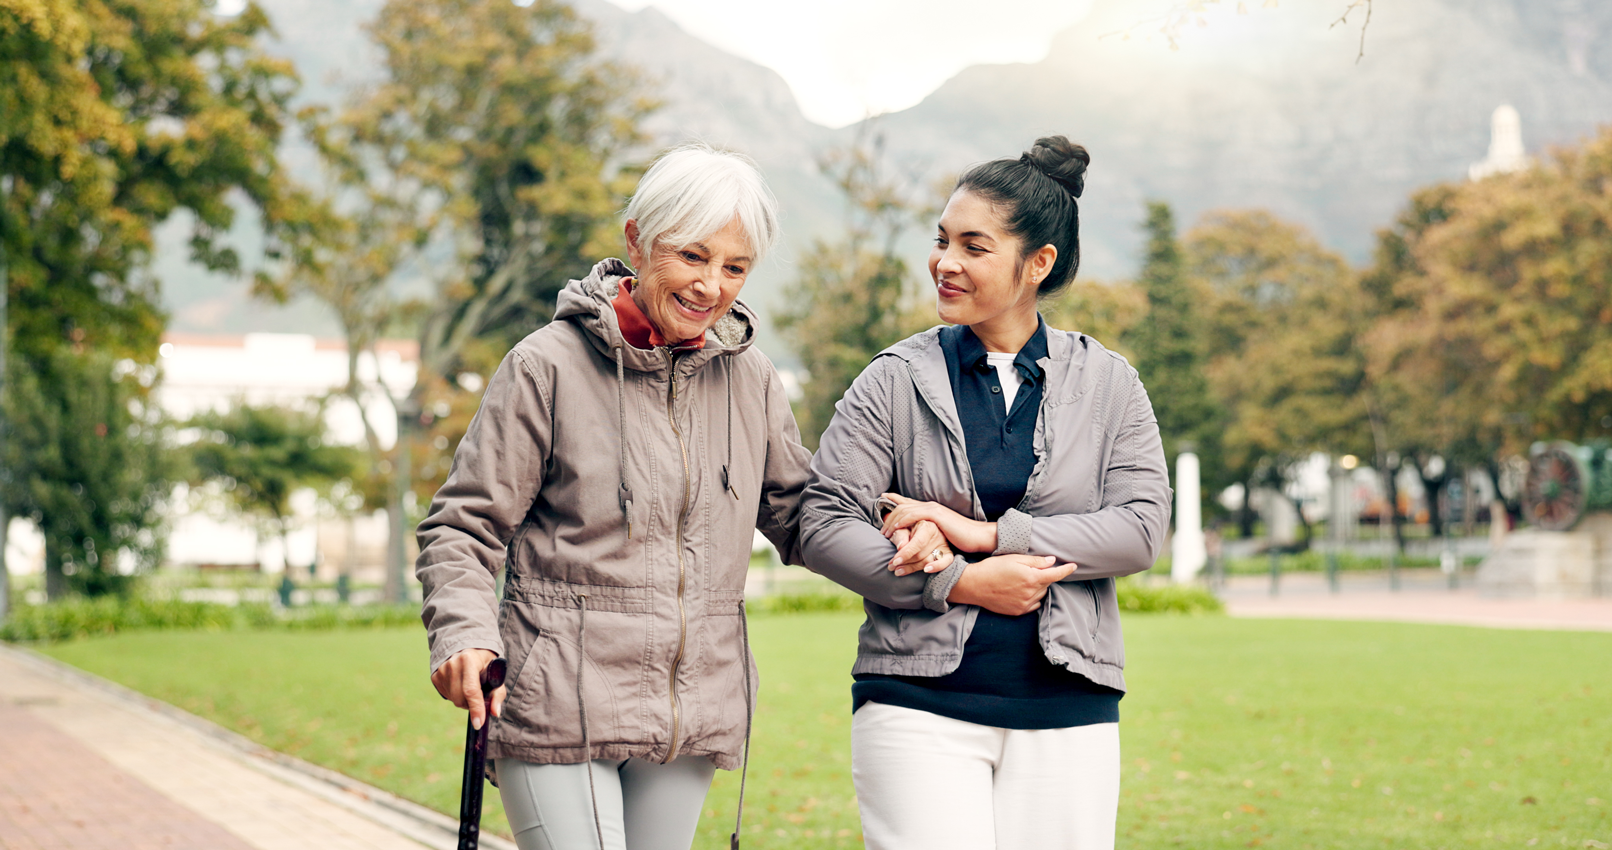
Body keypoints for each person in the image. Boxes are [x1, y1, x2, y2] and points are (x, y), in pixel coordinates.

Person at [414, 144, 947, 850]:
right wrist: (463, 633)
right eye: (692, 257)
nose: (712, 286)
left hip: (693, 708)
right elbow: (463, 525)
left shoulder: (751, 379)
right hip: (558, 697)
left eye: (735, 267)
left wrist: (899, 528)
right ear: (637, 239)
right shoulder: (545, 366)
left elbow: (801, 511)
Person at [799, 136, 1172, 850]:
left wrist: (993, 536)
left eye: (973, 246)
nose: (944, 262)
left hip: (1070, 708)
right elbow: (822, 520)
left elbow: (1141, 528)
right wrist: (963, 582)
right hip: (917, 706)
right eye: (941, 241)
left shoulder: (1109, 382)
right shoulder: (893, 378)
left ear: (1038, 264)